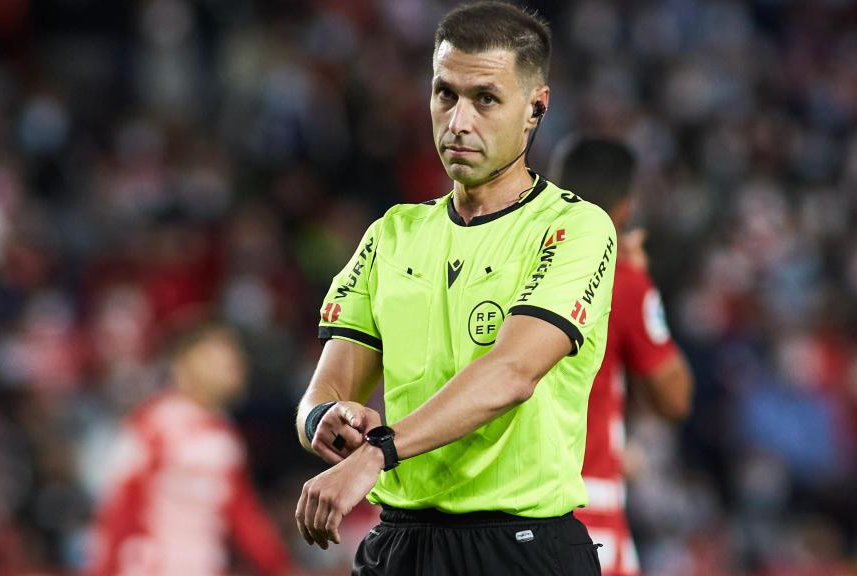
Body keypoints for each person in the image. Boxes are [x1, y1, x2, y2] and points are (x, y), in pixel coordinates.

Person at [294, 2, 614, 574]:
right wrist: (328, 420)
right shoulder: (394, 233)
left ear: (536, 108)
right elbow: (326, 388)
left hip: (521, 547)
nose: (459, 121)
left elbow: (512, 373)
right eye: (445, 94)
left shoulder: (574, 229)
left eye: (485, 99)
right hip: (400, 545)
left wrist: (378, 453)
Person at [549, 135, 694, 576]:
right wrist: (640, 286)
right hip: (585, 510)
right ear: (626, 209)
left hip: (499, 508)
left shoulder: (506, 262)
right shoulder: (622, 281)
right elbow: (675, 399)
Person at [88, 324, 297, 576]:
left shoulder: (224, 437)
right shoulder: (154, 426)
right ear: (183, 364)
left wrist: (279, 566)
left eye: (233, 357)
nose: (233, 364)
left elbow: (243, 514)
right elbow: (118, 508)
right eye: (216, 356)